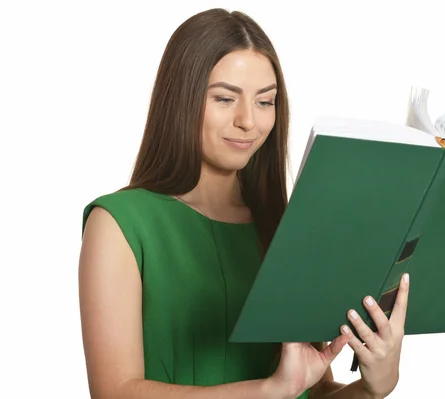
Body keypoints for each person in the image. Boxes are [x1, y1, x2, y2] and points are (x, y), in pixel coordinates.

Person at [78, 8, 410, 399]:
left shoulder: (285, 226)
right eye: (224, 98)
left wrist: (373, 388)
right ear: (180, 99)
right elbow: (114, 392)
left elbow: (308, 390)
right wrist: (268, 391)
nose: (248, 121)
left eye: (265, 102)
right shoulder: (119, 225)